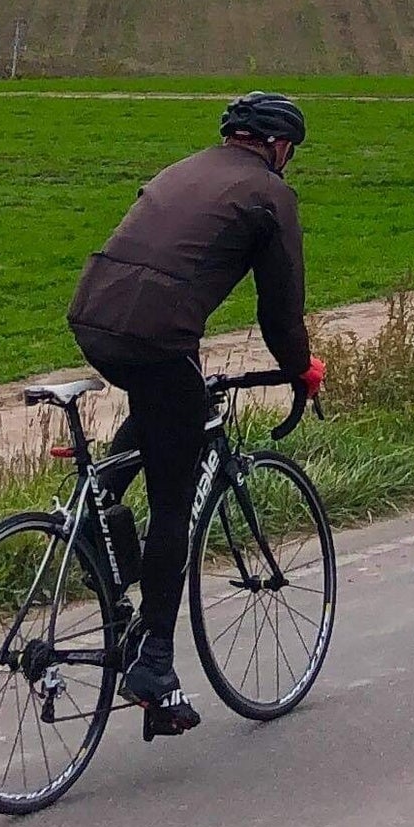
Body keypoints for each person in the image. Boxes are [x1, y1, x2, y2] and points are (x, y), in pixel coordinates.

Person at [66, 91, 322, 732]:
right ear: (278, 146)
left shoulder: (185, 168)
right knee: (173, 501)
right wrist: (301, 369)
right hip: (158, 334)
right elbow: (280, 313)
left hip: (94, 316)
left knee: (165, 406)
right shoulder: (270, 195)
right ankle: (154, 666)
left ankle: (97, 516)